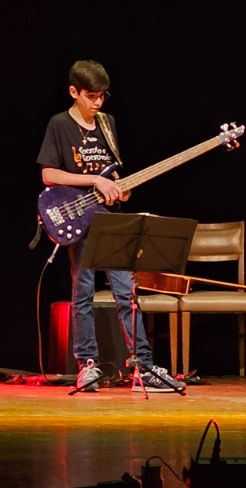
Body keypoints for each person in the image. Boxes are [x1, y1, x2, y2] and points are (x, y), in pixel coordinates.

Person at [36, 59, 186, 394]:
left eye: (102, 96)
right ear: (73, 92)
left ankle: (143, 367)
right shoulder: (59, 124)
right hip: (79, 217)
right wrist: (94, 181)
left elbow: (112, 171)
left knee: (126, 293)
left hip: (111, 218)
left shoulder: (108, 123)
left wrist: (121, 186)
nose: (98, 103)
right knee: (83, 291)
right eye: (91, 96)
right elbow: (49, 174)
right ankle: (86, 365)